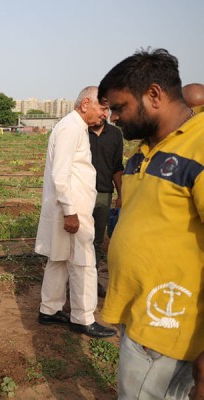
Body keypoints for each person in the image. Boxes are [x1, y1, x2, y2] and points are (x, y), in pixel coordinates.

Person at [98, 48, 204, 399]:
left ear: (154, 95)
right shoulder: (145, 149)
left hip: (168, 323)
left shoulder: (199, 147)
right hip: (140, 314)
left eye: (118, 107)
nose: (112, 117)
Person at [35, 86, 116, 339]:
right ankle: (83, 318)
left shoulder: (72, 126)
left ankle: (49, 310)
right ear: (85, 104)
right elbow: (61, 175)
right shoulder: (71, 128)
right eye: (102, 108)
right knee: (83, 263)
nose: (106, 114)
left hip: (66, 206)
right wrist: (71, 213)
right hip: (72, 209)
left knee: (58, 260)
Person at [88, 114, 123, 298]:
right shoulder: (81, 131)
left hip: (103, 193)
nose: (101, 112)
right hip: (80, 194)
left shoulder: (115, 134)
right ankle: (73, 282)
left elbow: (117, 166)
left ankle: (91, 282)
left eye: (104, 107)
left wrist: (121, 194)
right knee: (77, 239)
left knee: (97, 240)